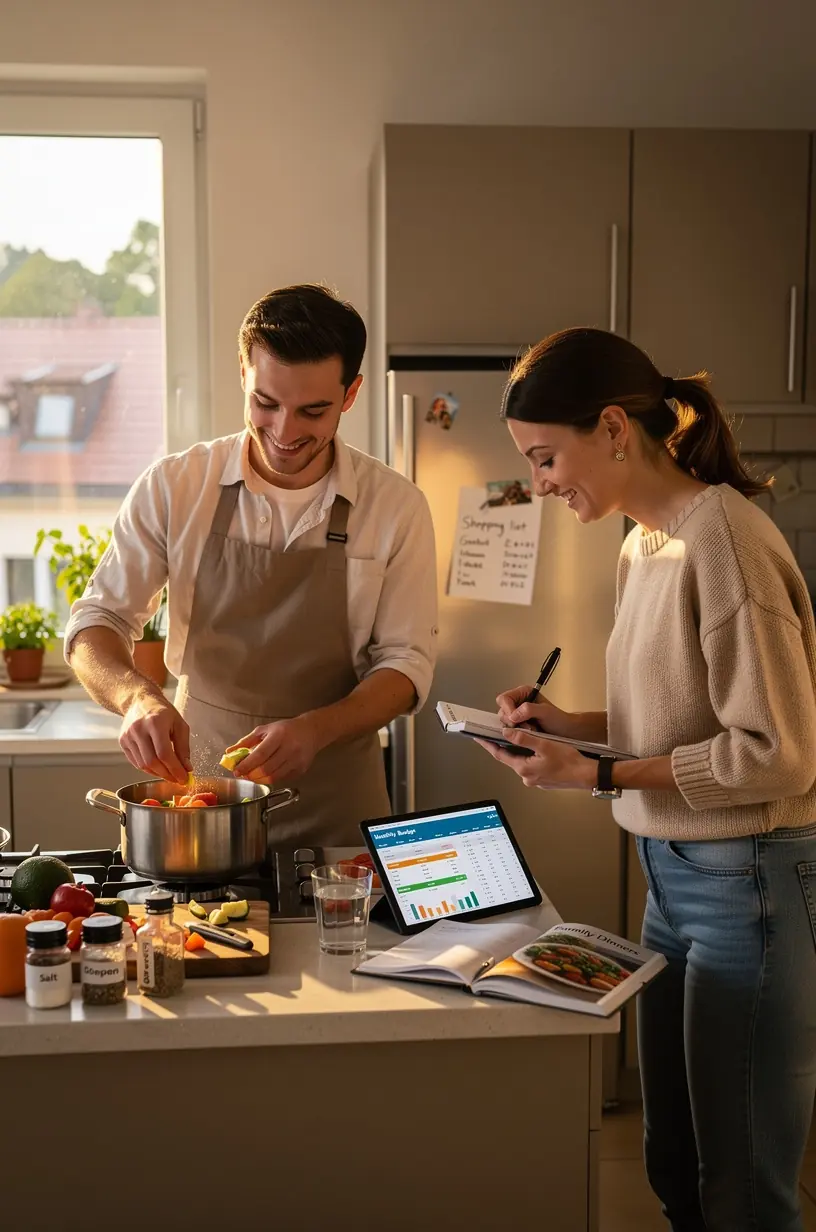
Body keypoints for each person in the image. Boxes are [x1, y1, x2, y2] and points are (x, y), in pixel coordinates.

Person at [475, 326, 816, 1232]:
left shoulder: (726, 543)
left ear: (615, 430)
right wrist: (572, 728)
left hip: (750, 884)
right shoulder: (643, 544)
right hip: (673, 880)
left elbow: (778, 752)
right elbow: (676, 717)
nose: (541, 483)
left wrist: (600, 776)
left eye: (546, 458)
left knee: (741, 1187)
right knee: (673, 1159)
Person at [66, 284, 438, 845]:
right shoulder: (175, 486)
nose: (285, 433)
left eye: (313, 411)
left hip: (337, 810)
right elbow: (96, 625)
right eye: (265, 403)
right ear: (244, 374)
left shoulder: (395, 506)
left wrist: (316, 729)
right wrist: (136, 698)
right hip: (197, 802)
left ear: (351, 393)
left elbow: (407, 665)